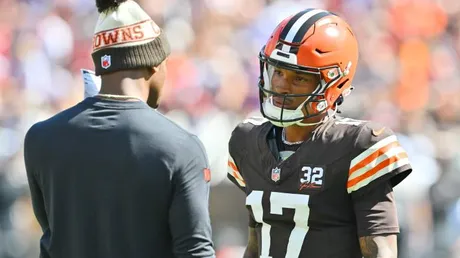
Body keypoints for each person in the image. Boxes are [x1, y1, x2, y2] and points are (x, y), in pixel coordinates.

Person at [23, 0, 215, 257]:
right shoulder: (181, 147)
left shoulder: (40, 138)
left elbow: (53, 230)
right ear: (155, 63)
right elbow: (195, 251)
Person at [227, 8, 411, 258]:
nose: (281, 85)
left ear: (334, 83)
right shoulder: (247, 141)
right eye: (278, 71)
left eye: (299, 78)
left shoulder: (359, 145)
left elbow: (381, 251)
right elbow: (256, 244)